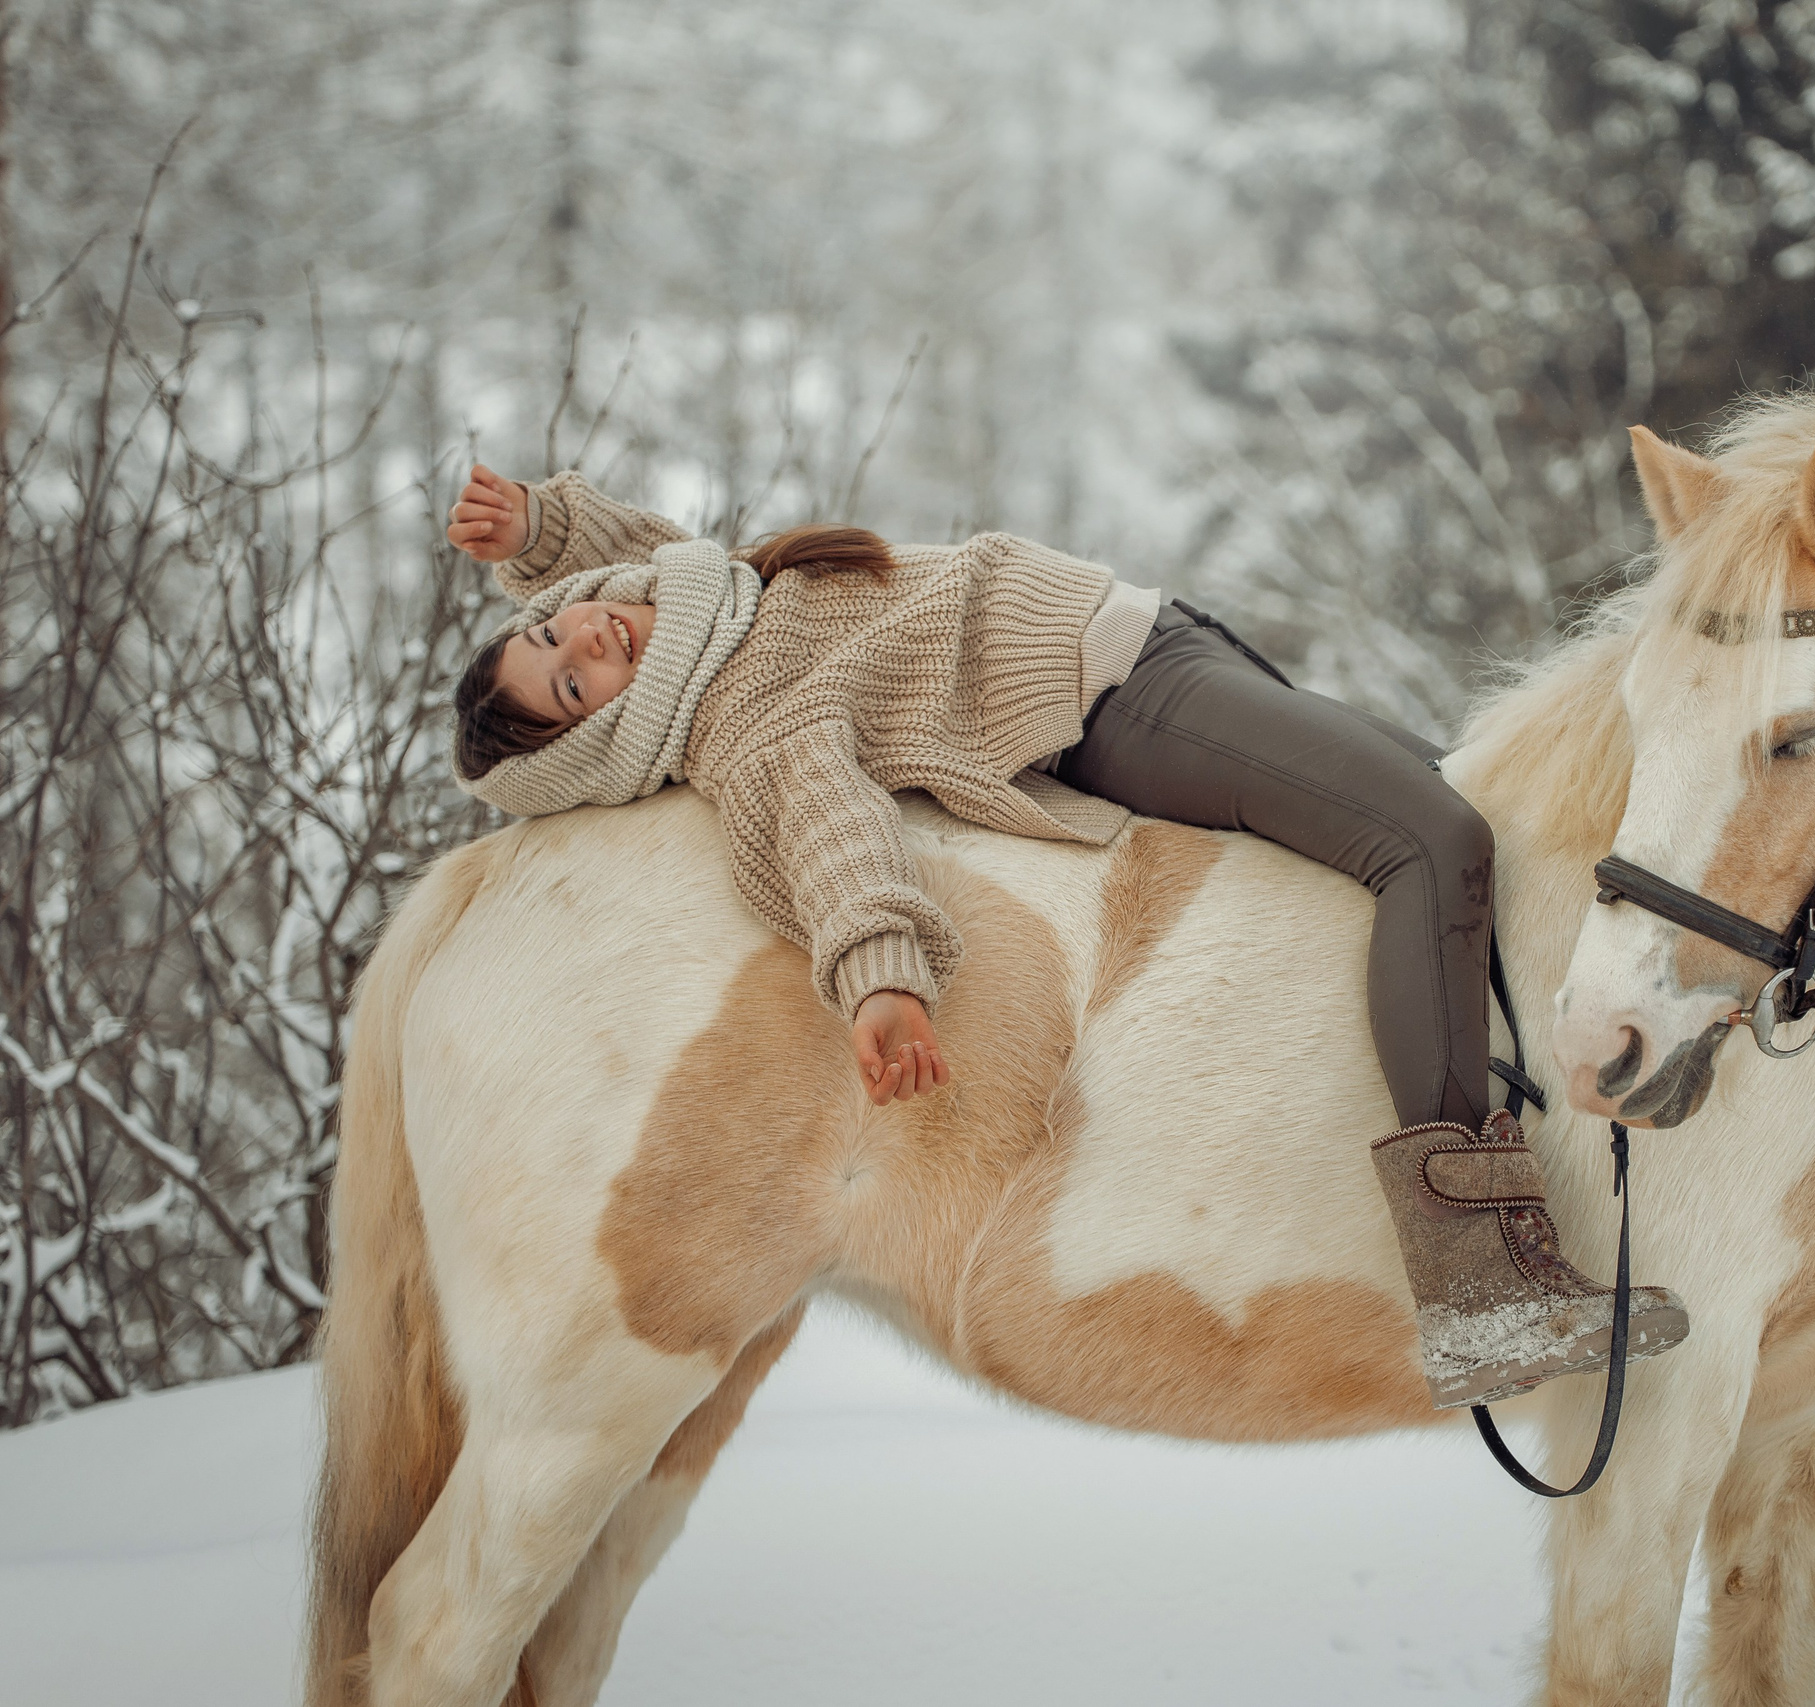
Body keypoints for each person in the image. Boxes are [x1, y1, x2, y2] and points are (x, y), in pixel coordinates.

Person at [444, 466, 1687, 1408]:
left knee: (1494, 833)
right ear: (607, 738)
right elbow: (829, 844)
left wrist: (538, 536)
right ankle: (1481, 1279)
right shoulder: (743, 722)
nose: (586, 644)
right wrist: (882, 982)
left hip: (1150, 640)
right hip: (1124, 703)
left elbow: (632, 556)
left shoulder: (702, 601)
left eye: (553, 631)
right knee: (1432, 841)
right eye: (568, 688)